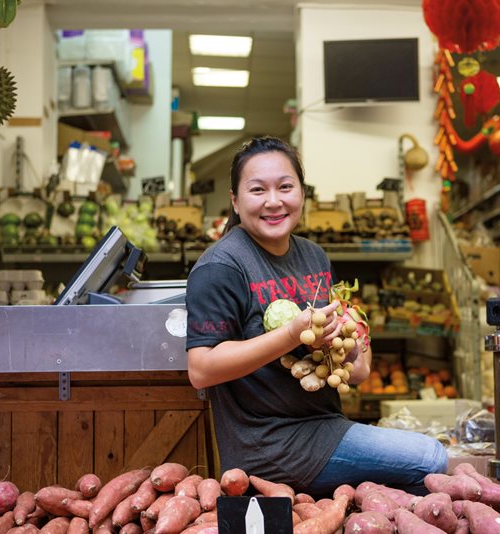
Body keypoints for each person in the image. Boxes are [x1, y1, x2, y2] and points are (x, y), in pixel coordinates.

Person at [184, 136, 448, 497]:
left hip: (326, 427)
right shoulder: (221, 267)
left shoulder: (313, 256)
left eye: (286, 187)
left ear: (302, 194)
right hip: (270, 445)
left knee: (426, 486)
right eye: (257, 189)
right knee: (431, 458)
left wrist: (353, 336)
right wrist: (292, 334)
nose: (274, 201)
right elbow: (201, 369)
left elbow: (357, 372)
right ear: (234, 199)